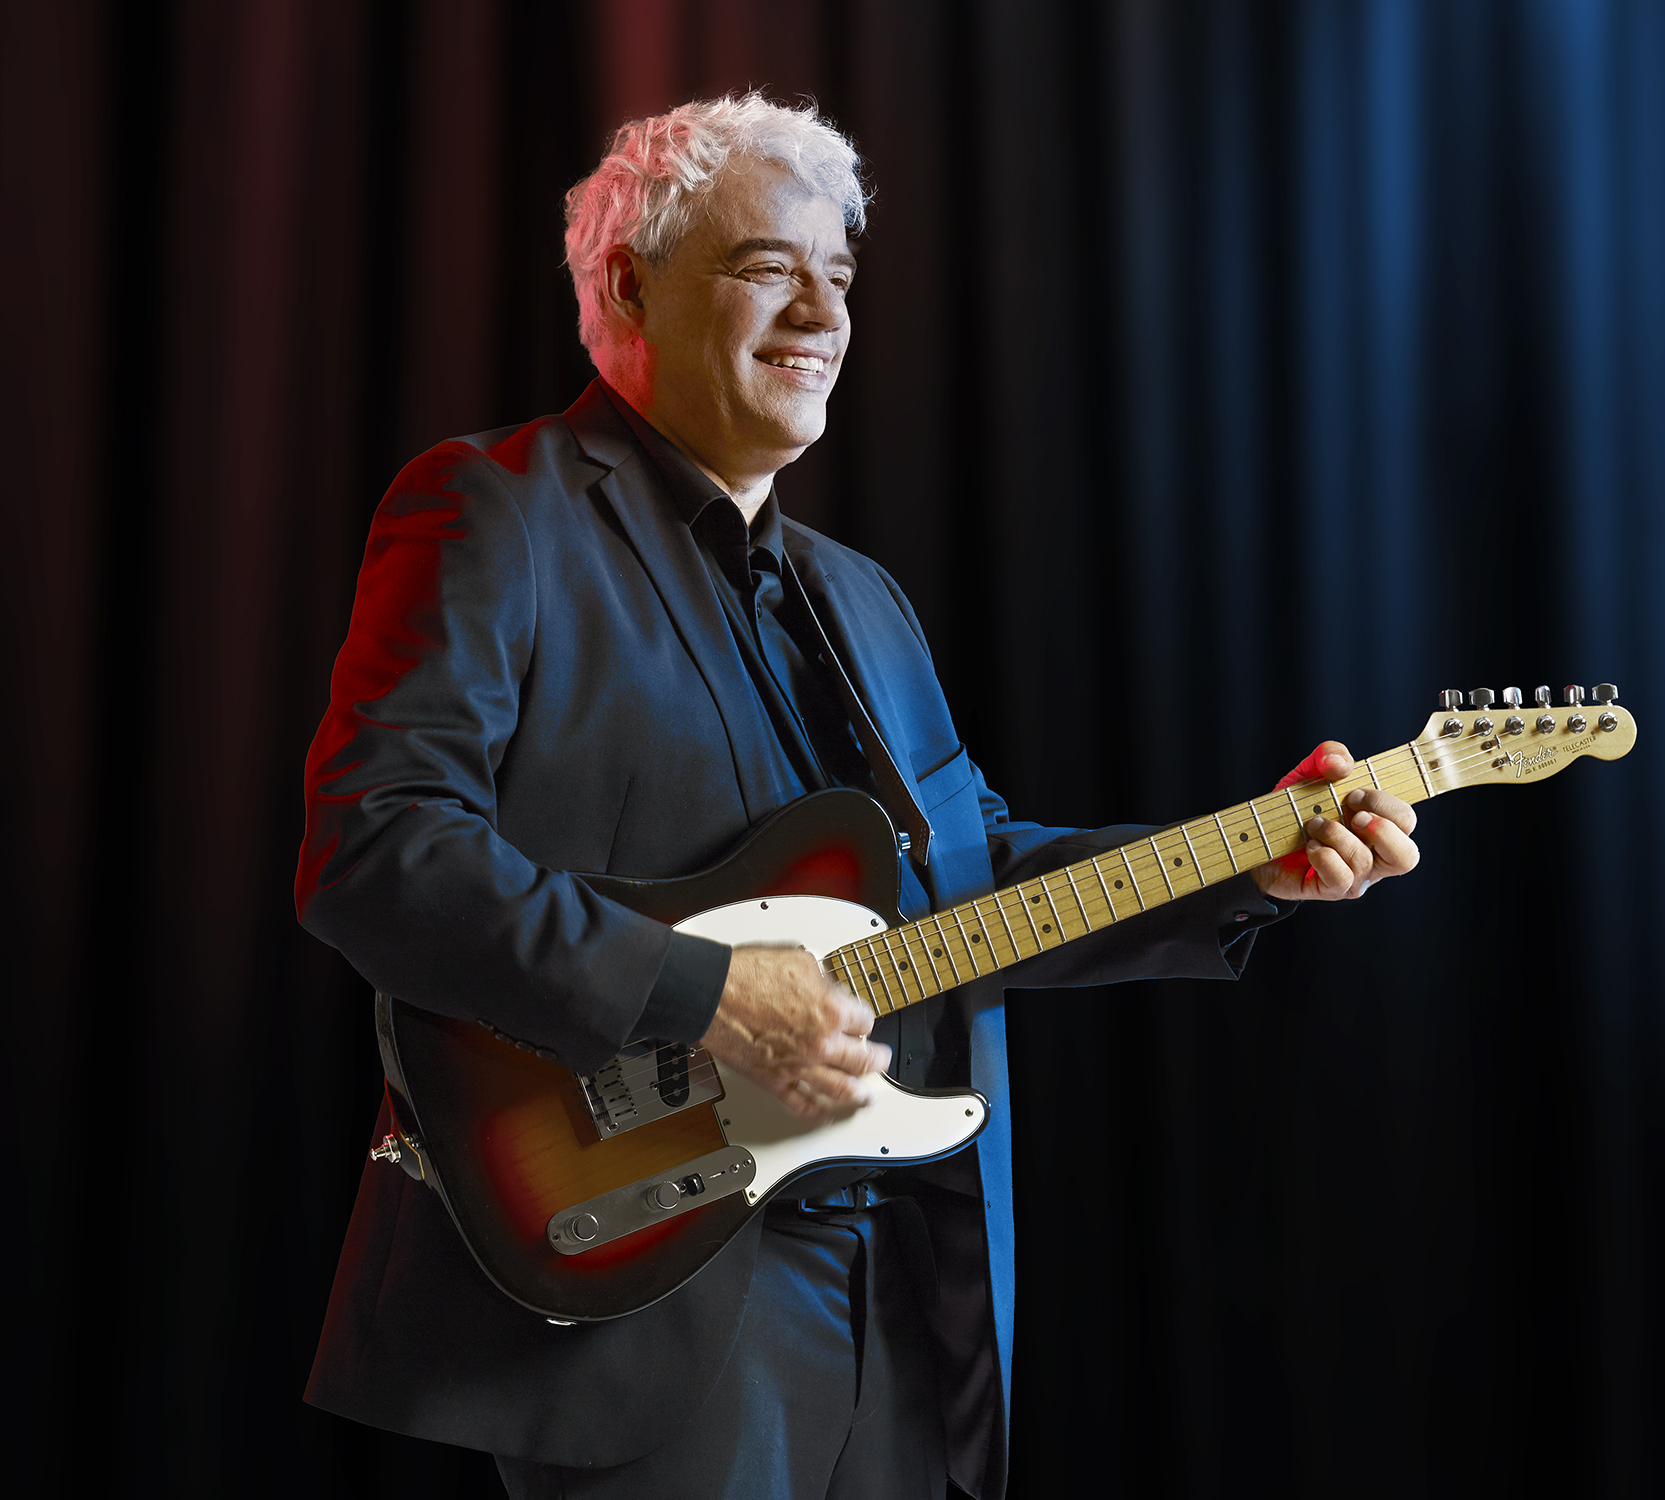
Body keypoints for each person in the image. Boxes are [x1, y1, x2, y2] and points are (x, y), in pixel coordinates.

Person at [296, 94, 1420, 1500]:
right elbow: (375, 848)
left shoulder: (864, 602)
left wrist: (1254, 863)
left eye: (838, 276)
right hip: (650, 1280)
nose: (820, 310)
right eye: (769, 265)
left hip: (907, 1286)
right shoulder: (494, 512)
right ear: (630, 280)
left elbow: (974, 886)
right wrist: (704, 998)